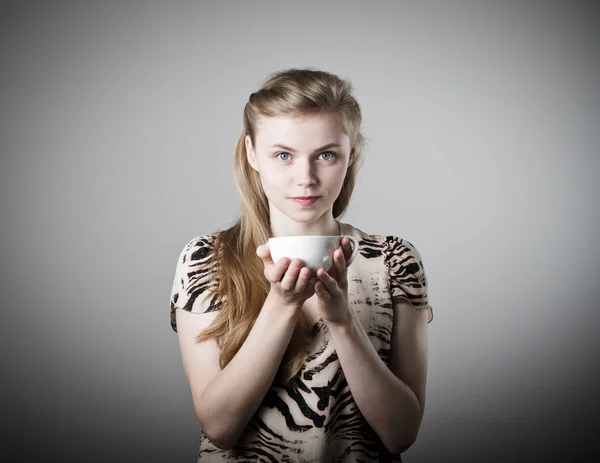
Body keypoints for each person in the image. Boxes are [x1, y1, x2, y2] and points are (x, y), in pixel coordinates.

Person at [169, 68, 434, 462]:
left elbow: (400, 434)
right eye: (283, 155)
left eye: (326, 155)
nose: (306, 178)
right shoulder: (206, 259)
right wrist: (282, 305)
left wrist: (343, 321)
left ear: (351, 155)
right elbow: (220, 428)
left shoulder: (395, 260)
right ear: (252, 154)